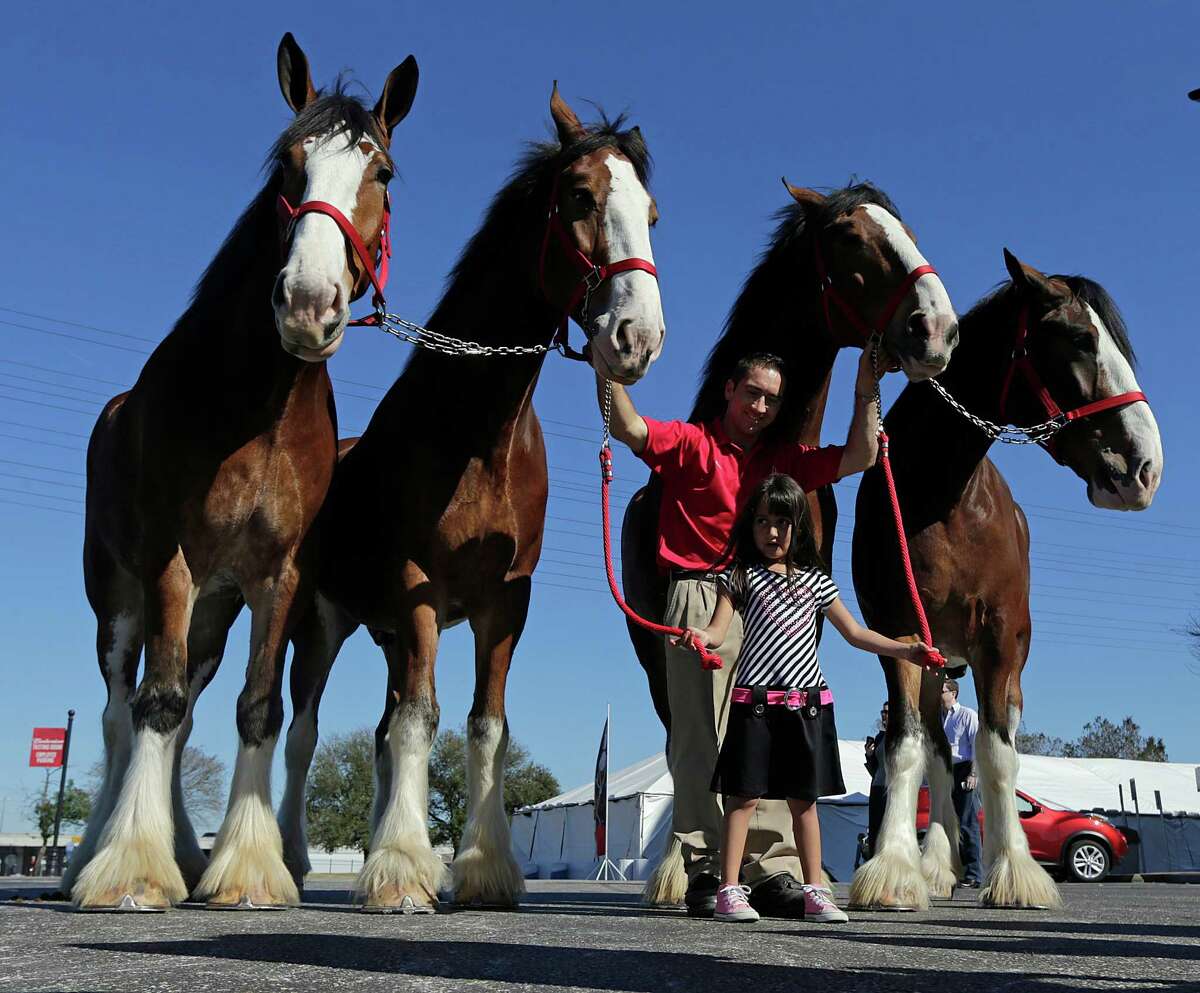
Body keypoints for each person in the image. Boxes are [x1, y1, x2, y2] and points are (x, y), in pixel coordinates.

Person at [601, 349, 882, 919]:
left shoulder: (783, 462)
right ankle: (705, 867)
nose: (760, 407)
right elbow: (626, 426)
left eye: (772, 400)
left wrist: (866, 388)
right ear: (729, 391)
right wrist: (605, 365)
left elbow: (861, 454)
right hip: (700, 596)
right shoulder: (689, 444)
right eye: (752, 393)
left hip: (768, 601)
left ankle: (772, 868)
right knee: (700, 737)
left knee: (773, 735)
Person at [675, 474, 940, 922]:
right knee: (742, 798)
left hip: (807, 705)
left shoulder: (818, 583)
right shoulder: (737, 578)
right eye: (761, 521)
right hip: (754, 703)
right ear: (749, 526)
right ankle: (729, 890)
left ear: (799, 526)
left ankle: (817, 889)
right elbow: (718, 633)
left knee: (805, 801)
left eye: (782, 522)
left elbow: (855, 634)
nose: (772, 532)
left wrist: (905, 649)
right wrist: (698, 637)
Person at [941, 677, 982, 887]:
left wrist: (973, 774)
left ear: (953, 693)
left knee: (967, 822)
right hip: (946, 771)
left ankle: (975, 873)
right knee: (950, 822)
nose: (939, 696)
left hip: (965, 768)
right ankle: (956, 870)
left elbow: (977, 745)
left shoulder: (967, 715)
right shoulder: (940, 717)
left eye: (942, 691)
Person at [864, 701, 889, 859]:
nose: (884, 715)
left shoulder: (900, 736)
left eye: (887, 712)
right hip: (877, 786)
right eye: (883, 712)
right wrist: (869, 755)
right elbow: (875, 769)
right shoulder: (880, 736)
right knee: (875, 827)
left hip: (892, 787)